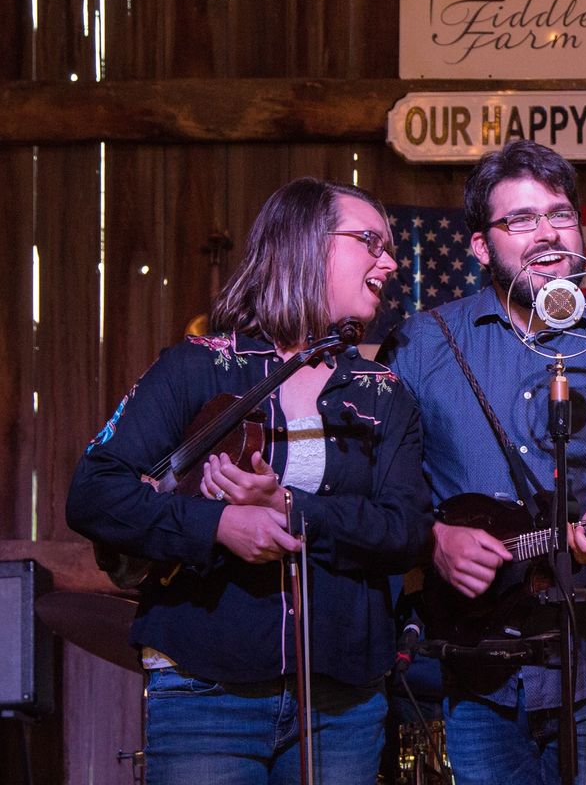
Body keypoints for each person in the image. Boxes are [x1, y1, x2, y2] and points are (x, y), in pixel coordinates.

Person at [67, 177, 433, 784]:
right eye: (371, 241)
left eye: (389, 247)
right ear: (306, 243)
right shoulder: (197, 366)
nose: (390, 263)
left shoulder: (383, 393)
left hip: (342, 702)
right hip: (205, 691)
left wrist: (291, 506)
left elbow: (406, 531)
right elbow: (95, 491)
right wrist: (220, 524)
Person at [385, 139, 586, 785]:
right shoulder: (419, 348)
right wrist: (434, 540)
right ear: (478, 245)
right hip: (475, 670)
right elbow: (382, 499)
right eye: (520, 219)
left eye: (560, 215)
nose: (547, 233)